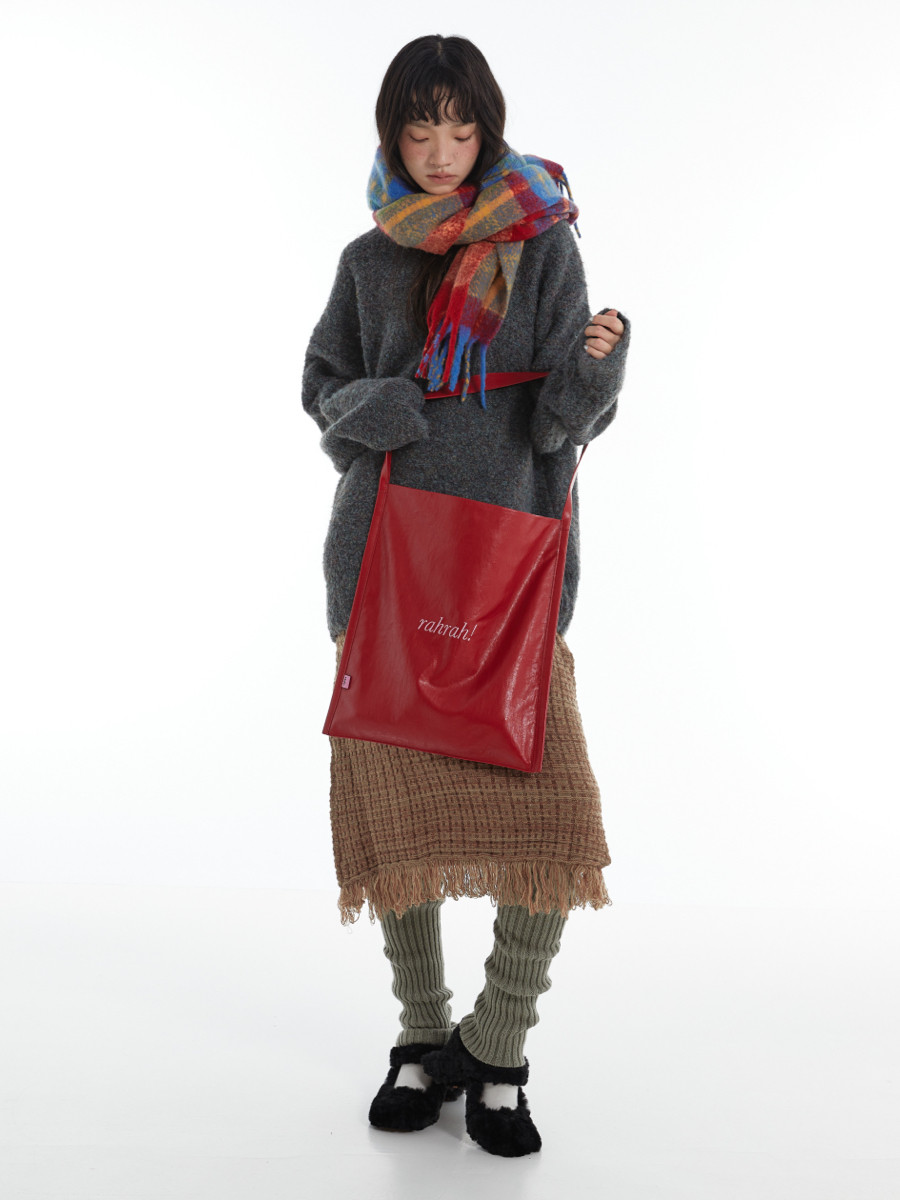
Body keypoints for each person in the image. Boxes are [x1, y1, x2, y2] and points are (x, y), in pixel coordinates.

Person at [302, 33, 631, 1158]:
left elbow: (563, 421)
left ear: (488, 130)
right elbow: (322, 390)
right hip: (385, 559)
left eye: (461, 126)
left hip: (510, 561)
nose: (441, 151)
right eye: (419, 128)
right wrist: (386, 405)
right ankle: (421, 1031)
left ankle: (497, 1047)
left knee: (556, 820)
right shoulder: (369, 260)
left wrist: (598, 366)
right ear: (391, 136)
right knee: (402, 821)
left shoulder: (543, 246)